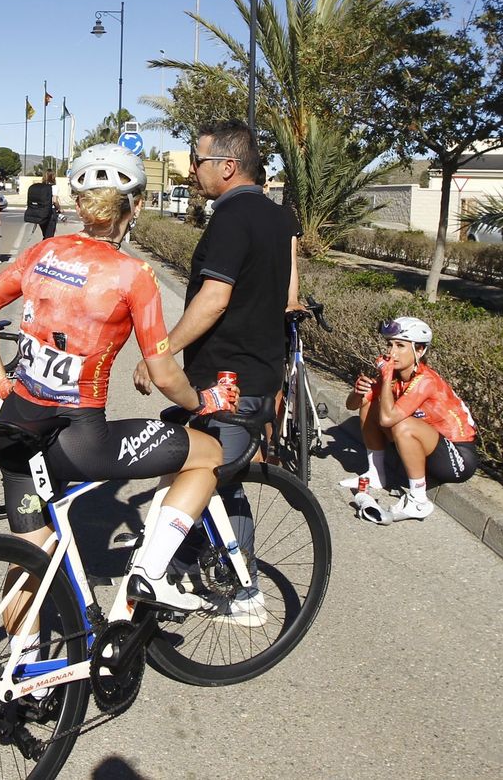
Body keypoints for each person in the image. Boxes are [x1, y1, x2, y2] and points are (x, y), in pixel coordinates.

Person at [0, 144, 240, 613]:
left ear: (78, 203)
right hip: (78, 439)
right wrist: (203, 401)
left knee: (30, 555)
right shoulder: (133, 275)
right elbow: (163, 372)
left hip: (13, 429)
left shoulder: (44, 250)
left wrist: (0, 381)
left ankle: (16, 669)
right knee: (209, 452)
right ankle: (151, 575)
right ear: (134, 206)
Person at [133, 118, 300, 626]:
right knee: (205, 472)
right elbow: (286, 290)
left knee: (217, 479)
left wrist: (161, 350)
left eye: (198, 161)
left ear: (228, 166)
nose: (192, 171)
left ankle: (243, 592)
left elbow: (214, 298)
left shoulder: (231, 218)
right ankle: (178, 566)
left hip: (229, 379)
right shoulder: (277, 218)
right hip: (255, 371)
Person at [341, 316, 479, 523]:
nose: (391, 352)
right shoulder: (395, 376)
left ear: (419, 351)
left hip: (458, 458)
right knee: (371, 404)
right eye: (389, 345)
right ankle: (376, 474)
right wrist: (358, 391)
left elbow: (388, 420)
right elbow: (352, 405)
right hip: (429, 449)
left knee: (402, 424)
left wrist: (385, 377)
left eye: (400, 346)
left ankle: (418, 501)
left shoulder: (425, 381)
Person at [24, 169, 60, 239]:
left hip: (41, 212)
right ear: (53, 177)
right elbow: (54, 201)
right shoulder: (54, 187)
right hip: (51, 212)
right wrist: (59, 208)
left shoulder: (41, 187)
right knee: (49, 236)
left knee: (45, 235)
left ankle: (44, 247)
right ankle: (45, 249)